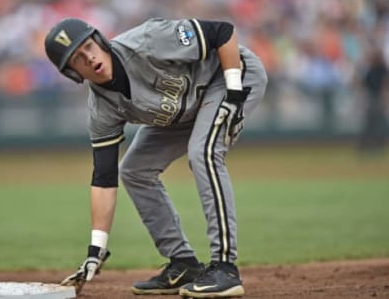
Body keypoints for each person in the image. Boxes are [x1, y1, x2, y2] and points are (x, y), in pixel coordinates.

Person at [44, 16, 267, 298]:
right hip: (186, 109)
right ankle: (183, 262)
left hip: (228, 76)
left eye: (88, 46)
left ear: (99, 40)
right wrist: (95, 250)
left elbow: (223, 32)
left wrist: (234, 91)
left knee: (204, 152)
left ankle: (225, 267)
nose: (88, 57)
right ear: (71, 73)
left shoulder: (148, 40)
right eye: (76, 58)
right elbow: (104, 178)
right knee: (134, 171)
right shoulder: (101, 109)